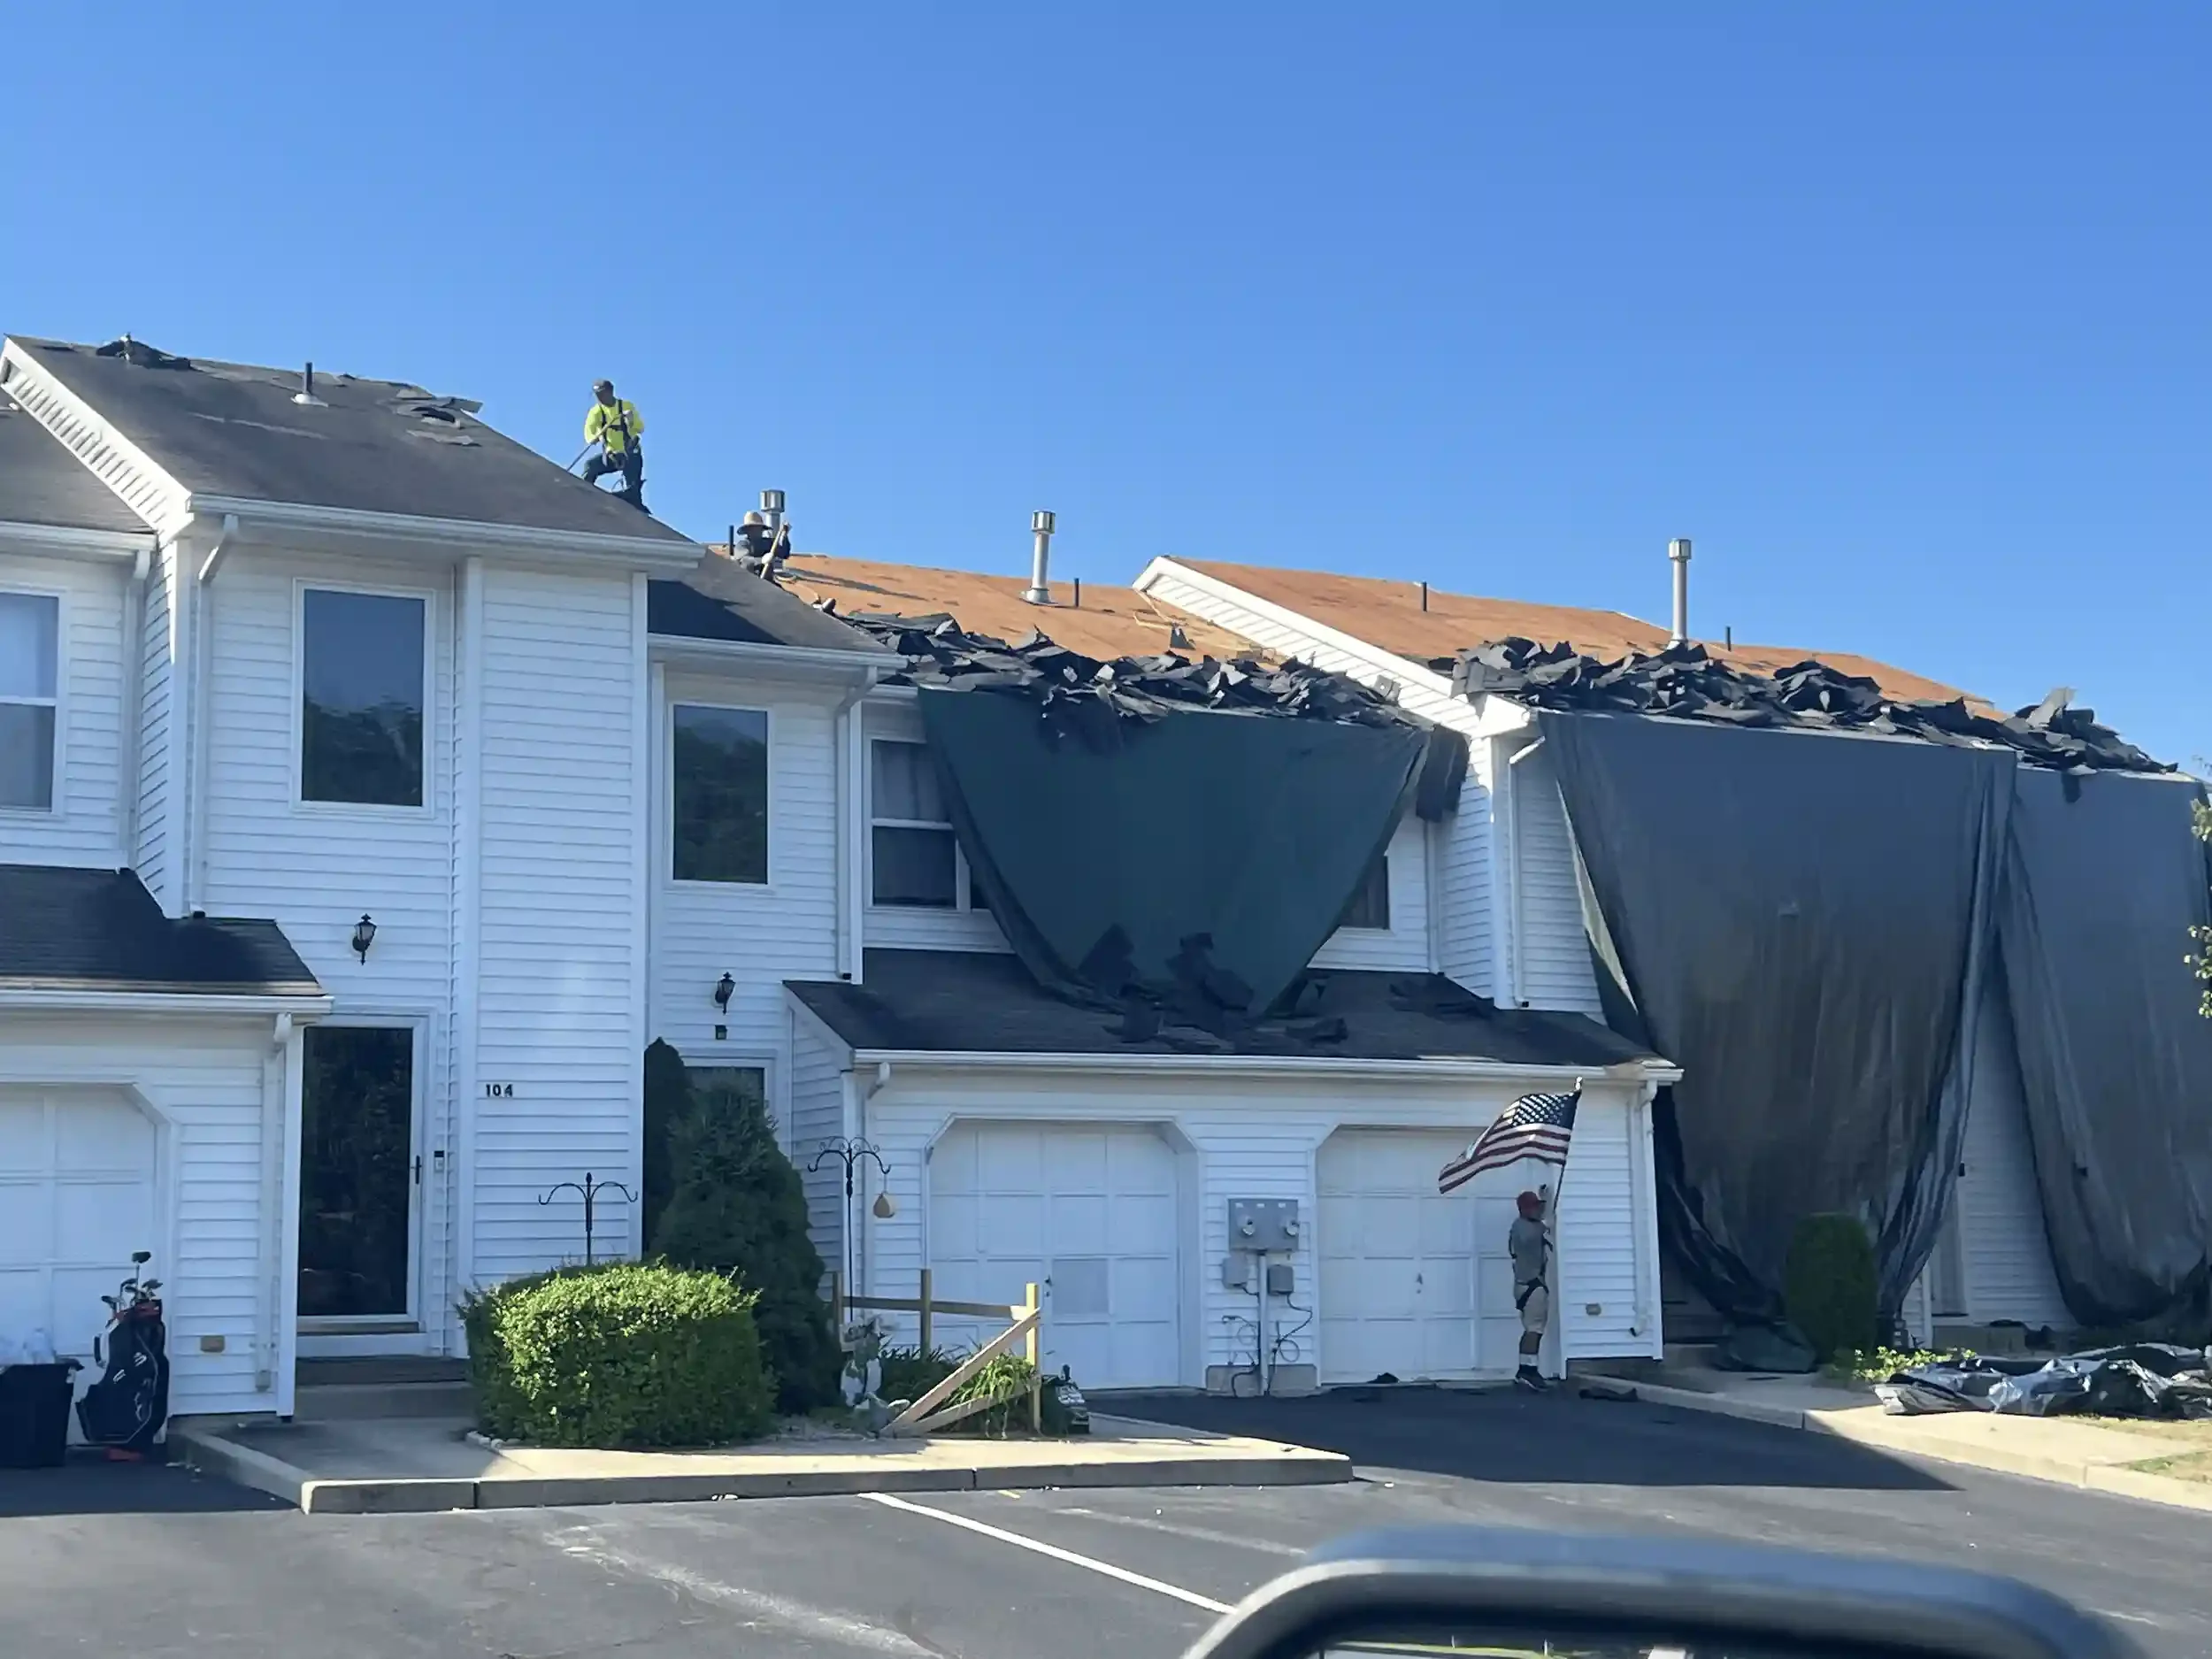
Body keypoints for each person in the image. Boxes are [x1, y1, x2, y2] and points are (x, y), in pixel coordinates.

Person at [1509, 1187, 1552, 1392]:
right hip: (1531, 1285)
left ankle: (1525, 1369)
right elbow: (1530, 1238)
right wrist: (1546, 1226)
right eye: (1534, 1207)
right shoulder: (1524, 1228)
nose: (1538, 1210)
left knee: (1532, 1329)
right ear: (1524, 1209)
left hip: (1526, 1284)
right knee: (1534, 1329)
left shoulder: (1524, 1226)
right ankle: (1529, 1371)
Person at [581, 380, 646, 510]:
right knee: (590, 466)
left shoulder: (627, 406)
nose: (599, 398)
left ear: (610, 392)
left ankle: (634, 502)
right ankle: (583, 495)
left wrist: (631, 420)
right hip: (612, 456)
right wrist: (598, 435)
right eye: (597, 395)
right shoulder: (596, 412)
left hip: (630, 454)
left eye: (602, 394)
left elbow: (640, 428)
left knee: (633, 488)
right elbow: (589, 435)